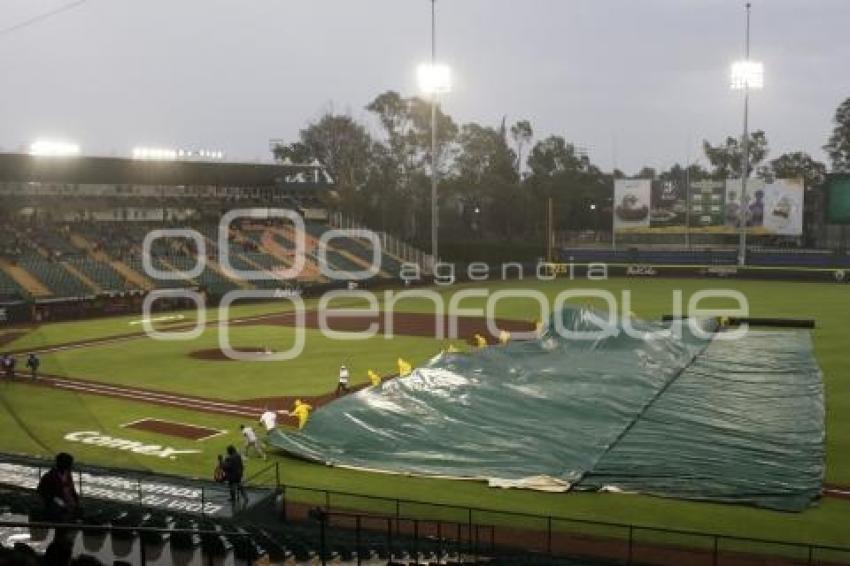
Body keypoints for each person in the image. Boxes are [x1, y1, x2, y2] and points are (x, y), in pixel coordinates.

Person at [37, 452, 79, 522]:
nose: (71, 466)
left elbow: (72, 490)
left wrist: (76, 503)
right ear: (63, 464)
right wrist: (63, 504)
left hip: (65, 504)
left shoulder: (68, 475)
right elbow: (46, 495)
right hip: (54, 506)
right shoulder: (49, 477)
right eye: (69, 464)